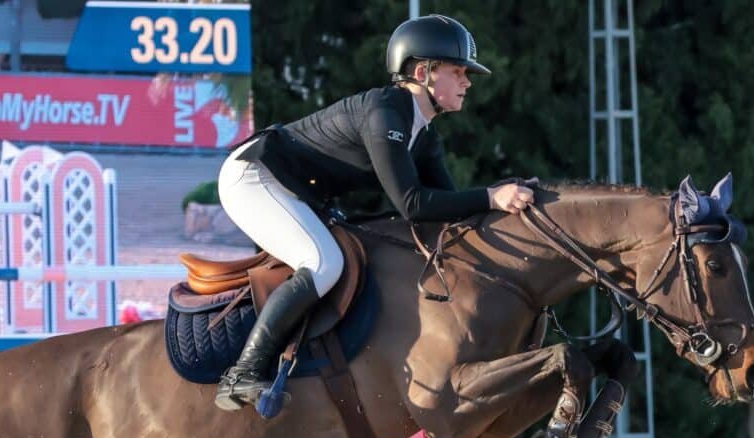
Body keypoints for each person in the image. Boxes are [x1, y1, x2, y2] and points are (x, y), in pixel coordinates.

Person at [214, 14, 534, 412]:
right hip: (253, 176)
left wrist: (510, 205)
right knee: (322, 262)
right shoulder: (385, 112)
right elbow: (413, 205)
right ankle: (243, 372)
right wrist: (490, 196)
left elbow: (447, 213)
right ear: (424, 72)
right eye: (458, 71)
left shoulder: (425, 135)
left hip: (293, 188)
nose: (468, 81)